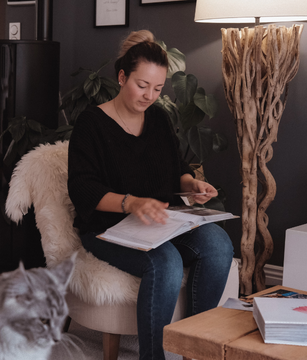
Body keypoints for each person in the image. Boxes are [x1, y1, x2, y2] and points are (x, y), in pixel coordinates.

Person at [68, 30, 234, 360]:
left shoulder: (158, 118)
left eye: (157, 88)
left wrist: (191, 184)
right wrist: (132, 203)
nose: (149, 96)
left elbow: (177, 166)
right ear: (121, 76)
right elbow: (83, 189)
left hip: (158, 223)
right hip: (106, 228)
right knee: (166, 262)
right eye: (142, 86)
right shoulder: (92, 123)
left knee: (218, 244)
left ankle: (195, 349)